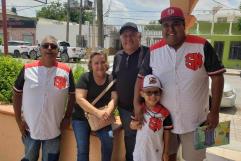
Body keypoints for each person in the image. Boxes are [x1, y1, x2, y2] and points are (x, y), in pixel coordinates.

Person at [134, 7, 225, 161]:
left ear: (184, 25)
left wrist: (215, 112)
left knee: (196, 159)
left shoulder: (202, 45)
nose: (170, 29)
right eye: (165, 25)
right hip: (164, 121)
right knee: (167, 157)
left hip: (198, 121)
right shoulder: (154, 51)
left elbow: (217, 77)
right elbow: (140, 78)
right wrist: (137, 105)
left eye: (175, 24)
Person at [13, 35, 75, 161]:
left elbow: (72, 96)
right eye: (45, 46)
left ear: (58, 51)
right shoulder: (27, 69)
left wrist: (68, 117)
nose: (49, 48)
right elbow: (16, 94)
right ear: (40, 49)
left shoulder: (66, 71)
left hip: (54, 130)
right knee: (29, 158)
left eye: (53, 46)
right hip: (30, 129)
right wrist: (19, 120)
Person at [112, 22, 149, 161]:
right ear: (121, 39)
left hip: (146, 109)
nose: (128, 38)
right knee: (130, 139)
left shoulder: (148, 53)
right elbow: (114, 80)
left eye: (132, 35)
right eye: (125, 35)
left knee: (148, 139)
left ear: (138, 36)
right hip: (124, 109)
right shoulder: (118, 56)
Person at [72, 51, 118, 161]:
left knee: (108, 142)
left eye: (102, 62)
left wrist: (108, 111)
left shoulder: (111, 79)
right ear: (91, 65)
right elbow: (79, 99)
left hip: (102, 118)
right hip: (81, 118)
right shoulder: (85, 78)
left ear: (106, 63)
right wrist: (98, 112)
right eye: (96, 63)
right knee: (82, 149)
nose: (100, 66)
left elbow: (114, 98)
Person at [130, 74, 173, 161]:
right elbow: (131, 125)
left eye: (156, 92)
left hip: (156, 152)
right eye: (149, 92)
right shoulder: (139, 110)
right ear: (142, 93)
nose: (153, 96)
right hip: (140, 151)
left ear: (160, 93)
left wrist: (166, 152)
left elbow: (167, 133)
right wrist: (132, 125)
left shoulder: (165, 113)